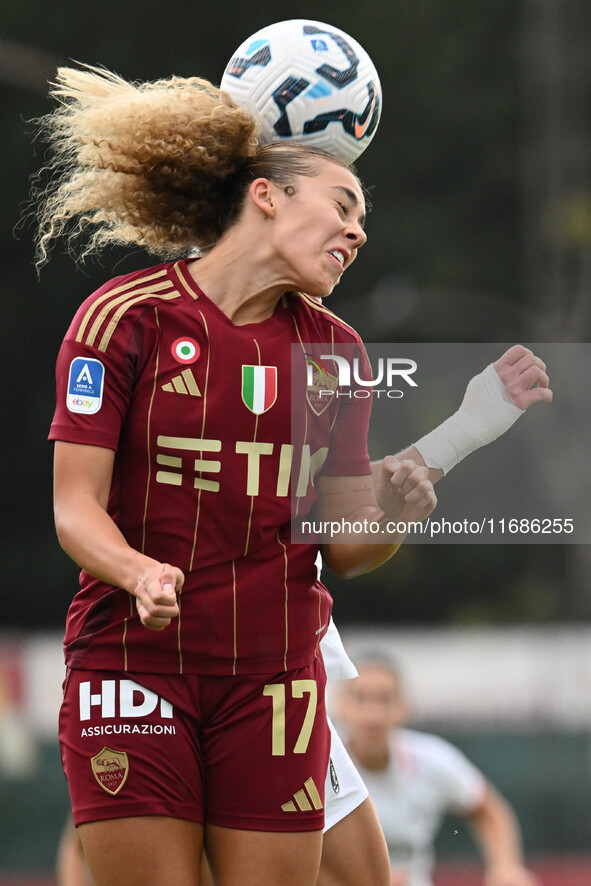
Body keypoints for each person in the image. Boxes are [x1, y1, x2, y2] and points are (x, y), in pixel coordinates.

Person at [36, 65, 437, 886]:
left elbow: (350, 550)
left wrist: (394, 515)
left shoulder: (338, 354)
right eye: (343, 206)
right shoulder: (125, 317)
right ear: (267, 196)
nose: (358, 232)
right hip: (133, 665)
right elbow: (75, 508)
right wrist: (138, 571)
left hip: (276, 681)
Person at [331, 654, 539, 886]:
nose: (373, 714)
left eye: (385, 699)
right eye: (361, 698)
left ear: (404, 706)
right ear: (340, 705)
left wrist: (505, 868)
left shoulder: (432, 759)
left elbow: (488, 810)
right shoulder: (320, 766)